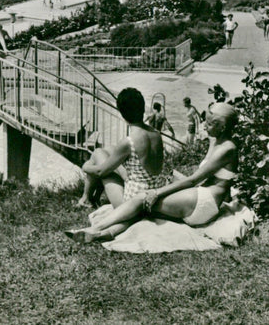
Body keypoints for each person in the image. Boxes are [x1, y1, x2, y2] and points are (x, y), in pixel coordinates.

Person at [65, 102, 240, 243]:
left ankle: (94, 228)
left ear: (222, 127)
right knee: (143, 211)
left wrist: (156, 192)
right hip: (204, 199)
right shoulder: (216, 141)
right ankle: (104, 234)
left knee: (142, 198)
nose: (204, 126)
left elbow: (193, 180)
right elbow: (210, 180)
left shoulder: (227, 149)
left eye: (209, 123)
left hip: (204, 203)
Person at [76, 88, 166, 211]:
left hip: (133, 205)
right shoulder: (156, 134)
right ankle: (89, 198)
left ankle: (86, 199)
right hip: (155, 196)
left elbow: (100, 172)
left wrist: (85, 167)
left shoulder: (128, 142)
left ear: (122, 114)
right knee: (109, 150)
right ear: (143, 109)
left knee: (98, 153)